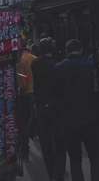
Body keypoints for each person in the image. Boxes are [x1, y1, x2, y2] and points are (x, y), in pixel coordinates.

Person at [52, 39, 99, 181]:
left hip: (69, 118)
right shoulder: (89, 66)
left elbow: (56, 94)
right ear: (80, 50)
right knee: (94, 155)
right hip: (89, 116)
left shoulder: (59, 68)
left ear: (67, 51)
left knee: (74, 158)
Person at [31, 38, 66, 180]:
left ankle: (51, 171)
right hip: (54, 104)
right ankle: (60, 170)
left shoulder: (35, 63)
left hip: (40, 104)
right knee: (59, 138)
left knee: (45, 140)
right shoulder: (56, 65)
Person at [16, 40, 36, 160]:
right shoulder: (34, 58)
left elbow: (22, 84)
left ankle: (24, 151)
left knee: (23, 125)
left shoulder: (20, 61)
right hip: (34, 94)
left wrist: (19, 93)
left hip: (25, 96)